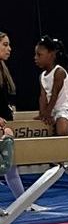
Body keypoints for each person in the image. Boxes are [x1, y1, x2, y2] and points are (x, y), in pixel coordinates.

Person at [0, 32, 26, 197]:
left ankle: (23, 203)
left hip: (5, 123)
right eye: (5, 44)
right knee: (7, 166)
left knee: (11, 167)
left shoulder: (3, 68)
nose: (9, 48)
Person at [35, 36, 68, 136]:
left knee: (61, 131)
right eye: (35, 54)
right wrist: (42, 114)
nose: (35, 57)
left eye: (39, 55)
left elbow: (54, 95)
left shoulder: (59, 72)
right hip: (52, 109)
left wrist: (47, 114)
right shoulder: (42, 76)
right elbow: (42, 97)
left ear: (51, 55)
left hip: (64, 109)